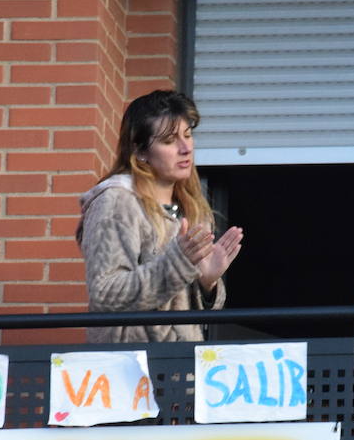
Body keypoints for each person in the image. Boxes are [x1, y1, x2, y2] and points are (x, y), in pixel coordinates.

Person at [77, 89, 243, 342]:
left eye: (188, 135)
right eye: (169, 140)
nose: (185, 148)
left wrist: (206, 284)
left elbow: (185, 314)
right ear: (140, 151)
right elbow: (105, 295)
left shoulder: (192, 209)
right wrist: (179, 263)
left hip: (180, 369)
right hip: (133, 370)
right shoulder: (116, 201)